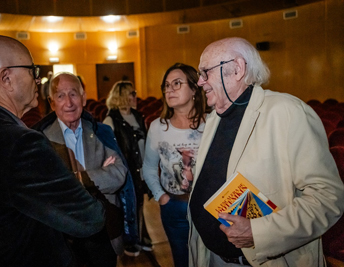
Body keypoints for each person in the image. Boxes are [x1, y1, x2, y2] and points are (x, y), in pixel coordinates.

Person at [0, 35, 105, 267]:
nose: (38, 80)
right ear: (6, 78)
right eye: (32, 70)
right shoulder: (20, 143)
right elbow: (90, 218)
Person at [188, 37, 344, 267]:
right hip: (211, 257)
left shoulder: (287, 112)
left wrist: (258, 233)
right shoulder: (214, 119)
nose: (200, 82)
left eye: (205, 72)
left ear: (238, 69)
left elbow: (328, 197)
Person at [33, 72, 127, 267]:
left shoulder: (101, 132)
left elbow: (118, 175)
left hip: (104, 230)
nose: (69, 102)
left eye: (73, 94)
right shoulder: (40, 140)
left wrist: (72, 179)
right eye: (60, 96)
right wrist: (97, 176)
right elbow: (47, 191)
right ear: (52, 103)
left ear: (83, 98)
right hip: (64, 236)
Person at [143, 63, 207, 267]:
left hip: (208, 206)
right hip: (174, 205)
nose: (169, 89)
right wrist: (161, 197)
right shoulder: (158, 127)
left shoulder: (212, 122)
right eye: (167, 85)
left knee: (210, 259)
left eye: (177, 84)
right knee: (181, 259)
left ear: (195, 89)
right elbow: (149, 167)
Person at [103, 81, 153, 257]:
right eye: (131, 93)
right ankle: (131, 241)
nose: (135, 96)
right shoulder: (111, 119)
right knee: (128, 205)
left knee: (139, 204)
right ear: (122, 96)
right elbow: (107, 149)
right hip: (125, 169)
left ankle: (141, 237)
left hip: (140, 167)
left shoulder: (138, 116)